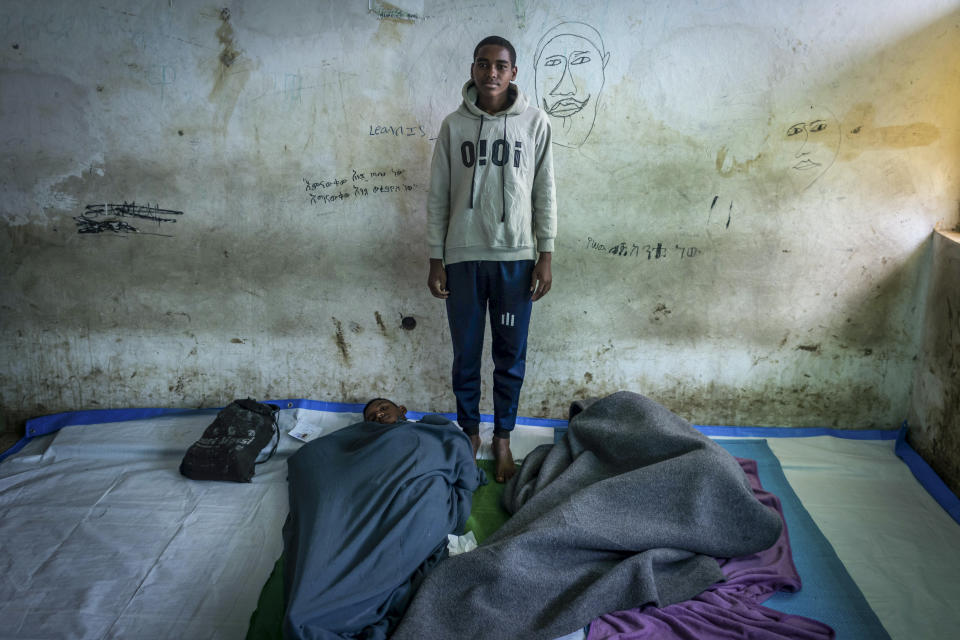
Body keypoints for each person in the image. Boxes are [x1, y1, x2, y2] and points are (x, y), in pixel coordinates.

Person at [427, 35, 557, 484]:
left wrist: (546, 253)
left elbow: (545, 192)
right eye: (483, 64)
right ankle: (469, 433)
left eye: (500, 65)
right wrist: (435, 256)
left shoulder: (535, 123)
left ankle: (503, 437)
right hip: (462, 256)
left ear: (514, 72)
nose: (492, 73)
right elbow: (438, 195)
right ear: (473, 69)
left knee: (509, 353)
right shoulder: (453, 126)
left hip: (515, 258)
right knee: (466, 353)